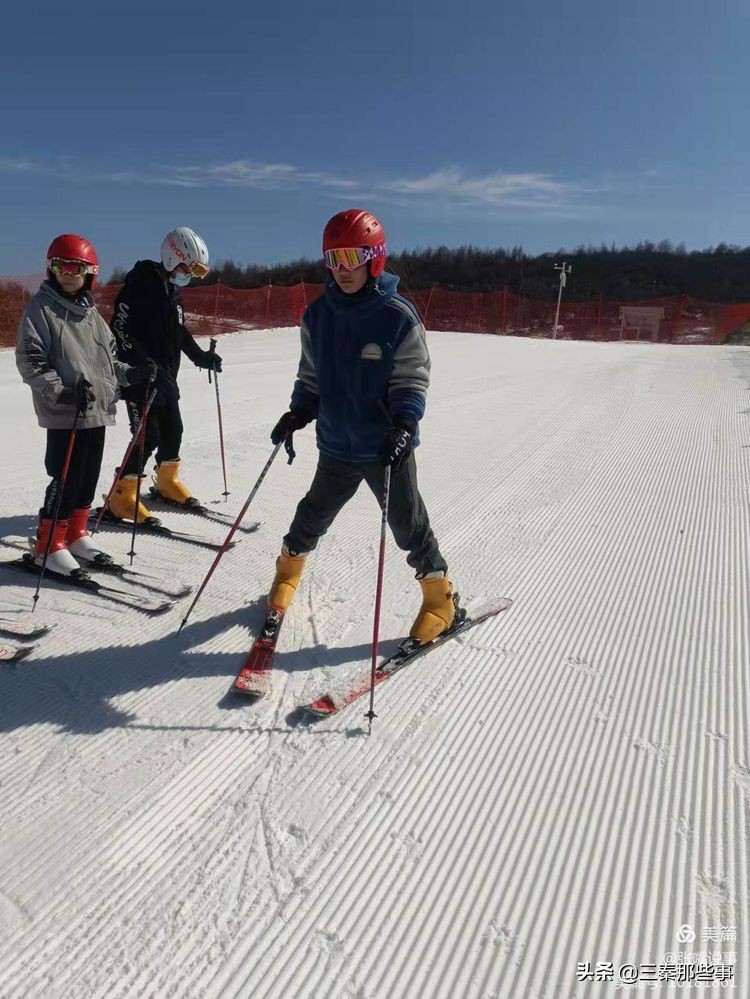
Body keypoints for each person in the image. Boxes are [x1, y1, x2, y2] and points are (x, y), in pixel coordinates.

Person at [267, 209, 456, 645]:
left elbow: (411, 378)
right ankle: (286, 573)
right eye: (333, 258)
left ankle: (440, 600)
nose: (342, 269)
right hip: (336, 445)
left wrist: (405, 424)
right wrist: (299, 411)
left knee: (409, 525)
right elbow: (311, 376)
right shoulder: (318, 316)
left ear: (375, 257)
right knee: (311, 515)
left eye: (352, 256)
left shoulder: (397, 315)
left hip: (385, 447)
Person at [15, 234, 155, 574]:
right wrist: (62, 392)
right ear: (51, 270)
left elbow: (107, 363)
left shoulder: (91, 314)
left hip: (96, 411)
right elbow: (31, 360)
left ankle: (75, 532)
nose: (68, 273)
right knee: (65, 477)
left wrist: (131, 374)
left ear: (89, 273)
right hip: (66, 413)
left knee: (87, 477)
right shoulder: (41, 309)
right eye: (61, 266)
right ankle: (48, 543)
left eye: (75, 268)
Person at [106, 226, 221, 522]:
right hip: (139, 377)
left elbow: (178, 332)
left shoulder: (173, 292)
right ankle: (122, 494)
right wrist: (142, 363)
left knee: (174, 430)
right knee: (148, 435)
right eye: (189, 267)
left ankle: (167, 481)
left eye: (197, 271)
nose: (191, 275)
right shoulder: (139, 288)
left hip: (166, 378)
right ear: (172, 258)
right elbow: (119, 330)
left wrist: (201, 357)